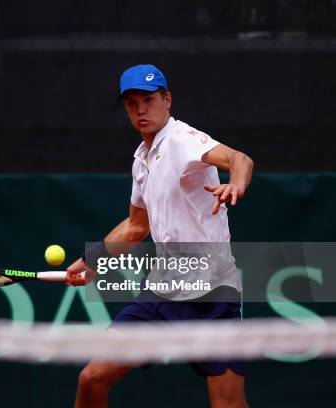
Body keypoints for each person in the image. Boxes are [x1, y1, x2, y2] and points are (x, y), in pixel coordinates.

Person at [66, 64, 254, 408]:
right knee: (92, 378)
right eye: (132, 103)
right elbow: (137, 226)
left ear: (167, 100)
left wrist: (236, 184)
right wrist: (92, 260)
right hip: (160, 296)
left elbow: (239, 158)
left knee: (228, 405)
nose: (141, 109)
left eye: (149, 100)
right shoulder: (142, 161)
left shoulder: (182, 141)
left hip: (210, 296)